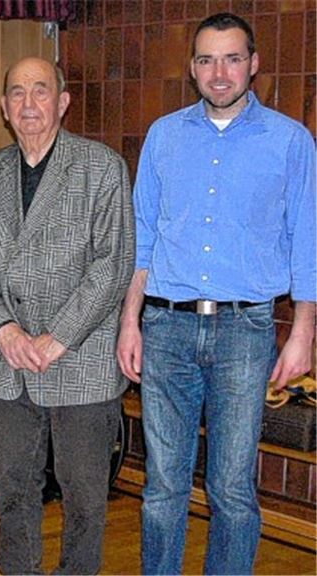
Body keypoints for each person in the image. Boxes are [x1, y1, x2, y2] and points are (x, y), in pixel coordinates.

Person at [116, 12, 316, 575]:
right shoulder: (164, 136)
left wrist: (303, 334)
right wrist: (130, 323)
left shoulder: (290, 143)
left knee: (231, 488)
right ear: (193, 68)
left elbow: (308, 243)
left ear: (253, 65)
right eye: (206, 59)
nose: (219, 72)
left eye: (232, 58)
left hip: (244, 332)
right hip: (167, 328)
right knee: (162, 488)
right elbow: (144, 241)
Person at [0, 57, 135, 575]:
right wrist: (3, 328)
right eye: (17, 93)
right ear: (3, 107)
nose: (28, 103)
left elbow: (114, 262)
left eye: (40, 92)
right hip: (8, 361)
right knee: (12, 491)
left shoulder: (101, 167)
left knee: (84, 498)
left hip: (80, 359)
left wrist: (58, 337)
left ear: (62, 102)